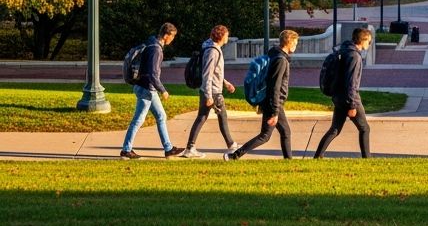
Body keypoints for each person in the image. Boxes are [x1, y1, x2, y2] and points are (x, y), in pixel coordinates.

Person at [226, 29, 299, 161]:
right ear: (289, 42)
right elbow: (274, 86)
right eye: (295, 42)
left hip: (269, 101)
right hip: (273, 102)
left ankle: (235, 155)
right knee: (271, 134)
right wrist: (275, 111)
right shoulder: (281, 60)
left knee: (274, 133)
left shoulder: (274, 55)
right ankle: (234, 155)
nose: (296, 46)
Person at [120, 22, 184, 159]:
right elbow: (152, 74)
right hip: (147, 89)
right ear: (166, 35)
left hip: (146, 87)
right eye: (172, 36)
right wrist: (163, 90)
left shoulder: (151, 43)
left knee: (161, 116)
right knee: (138, 120)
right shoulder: (156, 50)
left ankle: (168, 148)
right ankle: (126, 149)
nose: (172, 39)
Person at [313, 27, 372, 159]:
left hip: (338, 97)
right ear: (362, 40)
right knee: (364, 129)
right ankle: (367, 158)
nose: (369, 44)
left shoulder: (343, 50)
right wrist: (352, 105)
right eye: (369, 41)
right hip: (350, 99)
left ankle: (318, 156)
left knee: (335, 129)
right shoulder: (355, 56)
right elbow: (351, 82)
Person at [183, 24, 237, 158]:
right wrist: (208, 95)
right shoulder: (212, 51)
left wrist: (225, 83)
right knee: (222, 117)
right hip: (212, 91)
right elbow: (207, 74)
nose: (227, 38)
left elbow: (215, 71)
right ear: (221, 36)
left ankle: (190, 147)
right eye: (226, 35)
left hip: (211, 89)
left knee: (202, 117)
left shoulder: (211, 48)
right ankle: (231, 146)